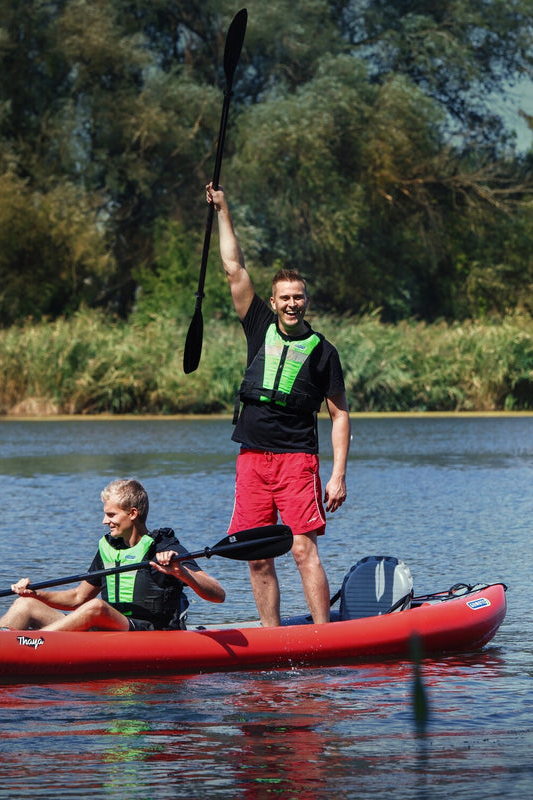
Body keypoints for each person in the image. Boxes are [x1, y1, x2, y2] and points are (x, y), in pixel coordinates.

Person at [206, 182, 351, 627]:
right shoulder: (258, 324)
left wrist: (338, 475)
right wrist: (223, 209)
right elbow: (233, 267)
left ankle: (324, 636)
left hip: (297, 461)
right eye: (284, 297)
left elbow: (339, 415)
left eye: (298, 297)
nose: (291, 304)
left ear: (306, 301)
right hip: (252, 458)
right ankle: (271, 639)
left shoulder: (323, 352)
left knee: (303, 549)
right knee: (257, 555)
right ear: (273, 302)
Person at [0, 479, 226, 631]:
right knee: (25, 604)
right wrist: (35, 593)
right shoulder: (109, 547)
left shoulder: (163, 546)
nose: (105, 521)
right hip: (109, 629)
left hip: (149, 633)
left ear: (132, 513)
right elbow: (77, 598)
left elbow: (218, 595)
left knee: (97, 607)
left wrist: (181, 573)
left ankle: (32, 646)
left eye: (111, 515)